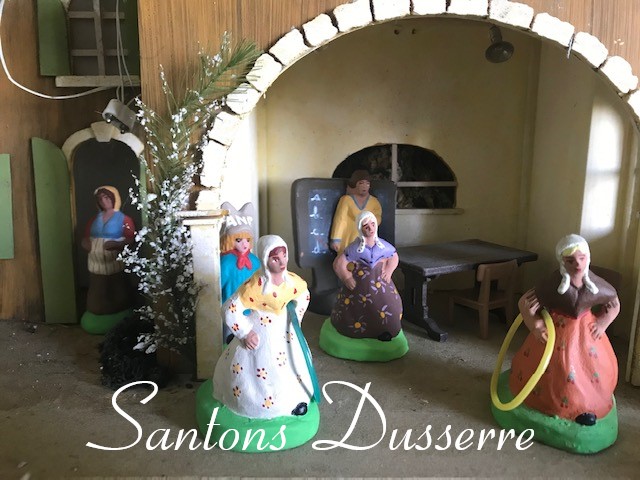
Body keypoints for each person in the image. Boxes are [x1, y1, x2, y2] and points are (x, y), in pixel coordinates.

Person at [212, 234, 316, 419]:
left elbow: (303, 295)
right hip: (261, 332)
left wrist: (295, 317)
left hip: (285, 331)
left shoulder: (292, 281)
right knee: (265, 367)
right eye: (275, 258)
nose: (282, 262)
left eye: (284, 256)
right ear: (265, 259)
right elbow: (229, 309)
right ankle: (261, 405)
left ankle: (295, 400)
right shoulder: (255, 286)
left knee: (293, 364)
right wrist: (245, 333)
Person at [320, 210, 408, 361]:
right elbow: (339, 263)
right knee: (355, 309)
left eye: (372, 224)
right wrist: (347, 277)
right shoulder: (355, 248)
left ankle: (385, 331)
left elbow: (394, 257)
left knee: (390, 305)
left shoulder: (383, 246)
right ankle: (358, 333)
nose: (370, 228)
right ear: (360, 228)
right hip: (359, 285)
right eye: (366, 226)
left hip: (381, 282)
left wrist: (388, 271)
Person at [80, 186, 135, 332]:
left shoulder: (124, 219)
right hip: (96, 263)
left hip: (114, 262)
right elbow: (86, 237)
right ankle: (97, 309)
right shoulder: (94, 220)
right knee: (97, 288)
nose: (104, 201)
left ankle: (118, 309)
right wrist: (87, 244)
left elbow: (131, 238)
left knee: (116, 288)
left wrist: (117, 244)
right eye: (100, 199)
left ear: (113, 198)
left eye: (106, 197)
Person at [219, 201, 260, 343]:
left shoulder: (254, 260)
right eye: (238, 240)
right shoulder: (226, 261)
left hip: (252, 307)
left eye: (247, 240)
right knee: (230, 337)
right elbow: (218, 283)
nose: (244, 244)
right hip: (230, 307)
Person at [330, 170, 382, 255]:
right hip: (349, 238)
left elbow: (378, 217)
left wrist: (370, 222)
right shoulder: (346, 200)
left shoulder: (374, 202)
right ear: (355, 184)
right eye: (361, 183)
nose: (364, 186)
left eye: (367, 184)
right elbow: (340, 220)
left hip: (367, 237)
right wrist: (336, 239)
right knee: (347, 258)